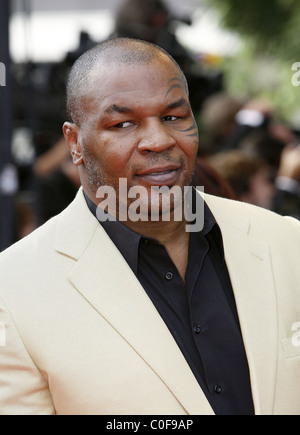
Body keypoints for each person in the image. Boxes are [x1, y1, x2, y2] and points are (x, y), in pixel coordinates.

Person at [0, 38, 299, 416]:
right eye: (123, 123)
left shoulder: (285, 241)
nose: (159, 140)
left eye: (173, 117)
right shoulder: (12, 290)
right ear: (75, 143)